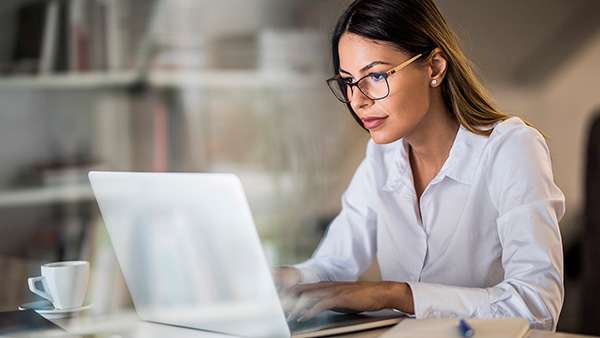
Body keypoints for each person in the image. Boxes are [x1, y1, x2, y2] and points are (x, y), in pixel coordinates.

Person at [273, 0, 565, 332]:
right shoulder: (381, 158)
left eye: (376, 76)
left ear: (435, 68)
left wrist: (396, 295)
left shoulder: (510, 148)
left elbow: (537, 305)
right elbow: (333, 265)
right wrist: (284, 278)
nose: (358, 100)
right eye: (348, 81)